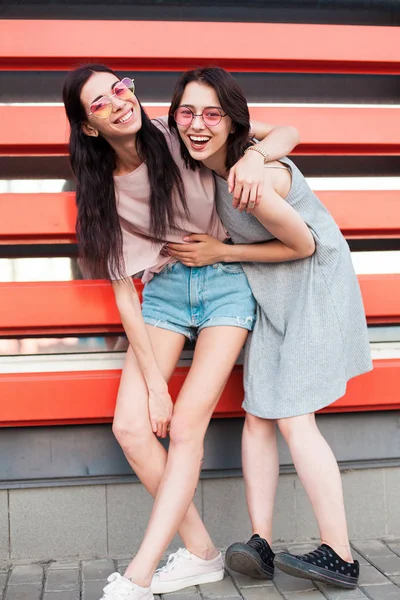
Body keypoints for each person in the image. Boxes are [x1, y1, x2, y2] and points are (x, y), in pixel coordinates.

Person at [62, 64, 299, 600]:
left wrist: (258, 157)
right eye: (100, 102)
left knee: (187, 424)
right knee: (131, 427)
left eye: (121, 87)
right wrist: (152, 387)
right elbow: (125, 292)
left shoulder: (178, 132)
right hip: (164, 292)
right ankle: (200, 551)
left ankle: (139, 575)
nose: (119, 101)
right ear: (90, 127)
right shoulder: (99, 188)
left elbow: (285, 133)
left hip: (225, 281)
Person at [166, 66, 373, 590]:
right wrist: (261, 147)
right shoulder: (214, 154)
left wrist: (221, 250)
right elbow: (286, 131)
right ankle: (259, 543)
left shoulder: (254, 180)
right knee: (258, 414)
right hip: (272, 294)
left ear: (232, 122)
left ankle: (341, 555)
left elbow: (305, 245)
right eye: (187, 112)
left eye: (212, 113)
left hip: (311, 287)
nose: (197, 123)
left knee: (292, 419)